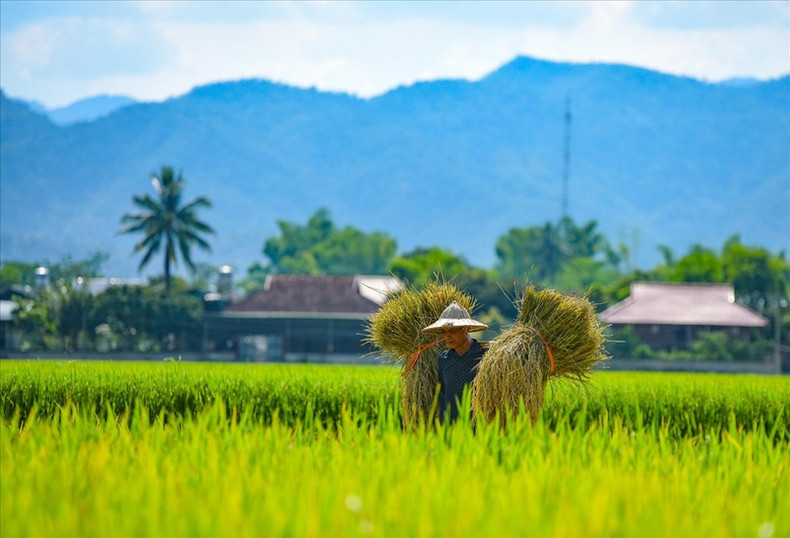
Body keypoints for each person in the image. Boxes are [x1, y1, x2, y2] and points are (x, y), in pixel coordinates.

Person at [422, 301, 488, 424]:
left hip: (478, 428)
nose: (447, 336)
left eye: (452, 330)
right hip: (450, 427)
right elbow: (441, 395)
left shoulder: (484, 356)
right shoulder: (444, 359)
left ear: (466, 329)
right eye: (444, 332)